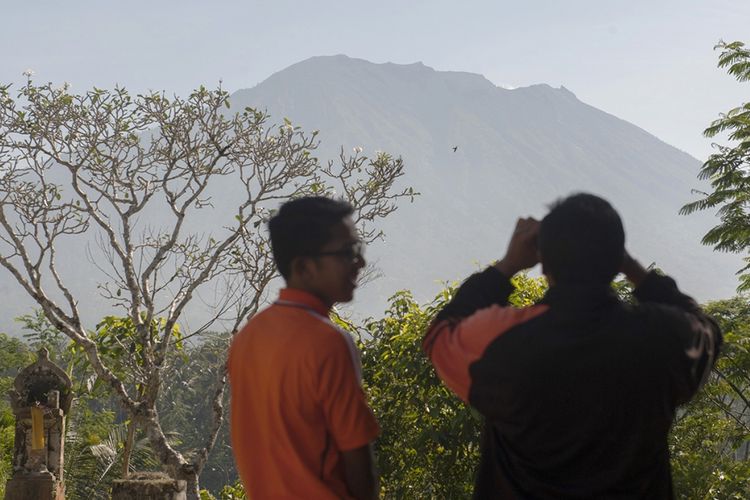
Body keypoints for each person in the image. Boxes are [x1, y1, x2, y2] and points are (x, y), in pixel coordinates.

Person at [423, 193, 721, 499]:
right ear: (617, 260)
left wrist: (507, 266)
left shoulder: (503, 340)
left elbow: (440, 335)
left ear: (543, 263)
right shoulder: (661, 337)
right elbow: (706, 328)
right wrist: (637, 272)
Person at [228, 196, 380, 499]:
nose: (359, 262)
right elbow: (358, 463)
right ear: (303, 267)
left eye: (358, 249)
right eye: (347, 252)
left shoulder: (247, 338)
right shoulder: (328, 343)